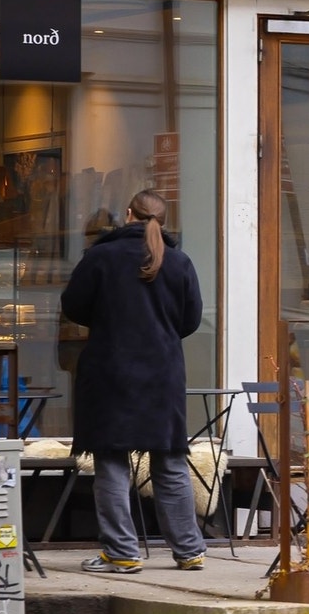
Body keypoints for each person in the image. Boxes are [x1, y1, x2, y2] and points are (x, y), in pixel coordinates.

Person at [61, 189, 207, 573]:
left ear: (128, 214)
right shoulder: (179, 262)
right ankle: (189, 550)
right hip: (163, 373)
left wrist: (109, 320)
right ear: (163, 219)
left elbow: (73, 306)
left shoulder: (100, 258)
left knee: (111, 461)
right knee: (170, 461)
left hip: (110, 372)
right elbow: (190, 320)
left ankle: (122, 552)